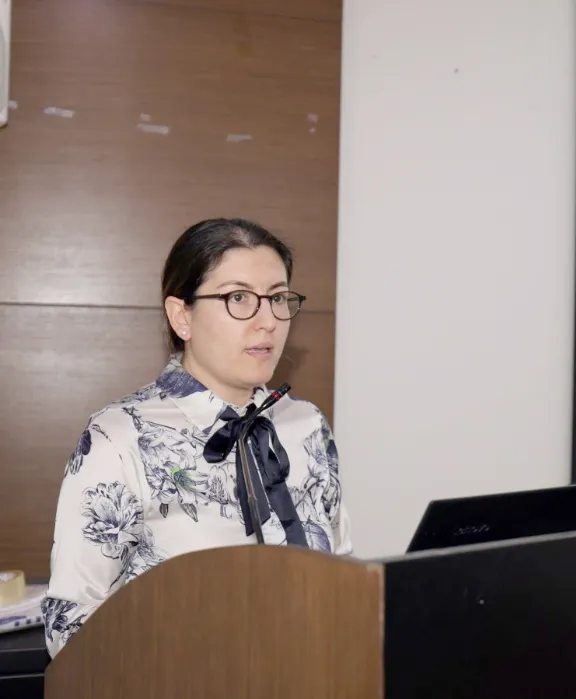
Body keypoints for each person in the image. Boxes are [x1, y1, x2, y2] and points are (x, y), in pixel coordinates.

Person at [41, 218, 351, 657]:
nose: (268, 321)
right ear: (181, 316)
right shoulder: (120, 437)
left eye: (278, 298)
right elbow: (70, 629)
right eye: (238, 298)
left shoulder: (307, 425)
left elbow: (342, 573)